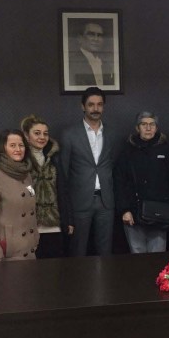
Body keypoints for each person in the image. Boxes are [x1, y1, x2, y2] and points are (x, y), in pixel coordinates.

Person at [60, 87, 116, 256]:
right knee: (78, 251)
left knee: (105, 251)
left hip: (106, 201)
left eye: (99, 104)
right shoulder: (69, 134)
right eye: (91, 104)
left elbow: (114, 166)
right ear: (83, 106)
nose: (95, 108)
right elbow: (64, 174)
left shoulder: (112, 133)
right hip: (79, 202)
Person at [114, 111, 169, 253]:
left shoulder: (166, 149)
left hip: (160, 215)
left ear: (156, 128)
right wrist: (124, 210)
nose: (148, 128)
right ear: (137, 128)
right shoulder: (127, 151)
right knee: (138, 258)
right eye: (144, 124)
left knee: (157, 258)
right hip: (134, 214)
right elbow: (120, 182)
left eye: (152, 124)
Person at [0, 129, 39, 261]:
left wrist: (35, 238)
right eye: (12, 145)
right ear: (3, 148)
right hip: (4, 255)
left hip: (28, 249)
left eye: (21, 145)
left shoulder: (26, 174)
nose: (18, 149)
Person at [20, 114, 68, 258]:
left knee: (55, 266)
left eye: (45, 133)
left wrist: (68, 220)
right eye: (37, 133)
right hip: (29, 224)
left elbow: (63, 190)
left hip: (54, 224)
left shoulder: (55, 158)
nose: (42, 137)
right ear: (27, 136)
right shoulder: (20, 159)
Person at [67, 21, 115, 86]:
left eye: (99, 35)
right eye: (91, 34)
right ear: (80, 38)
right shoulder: (71, 63)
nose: (96, 39)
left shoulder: (107, 66)